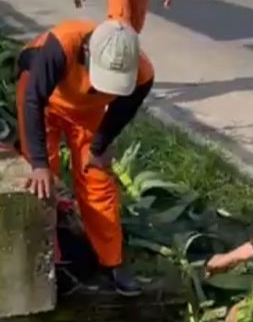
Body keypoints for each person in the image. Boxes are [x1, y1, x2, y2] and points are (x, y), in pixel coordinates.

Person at [17, 18, 154, 295]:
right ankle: (48, 255)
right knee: (44, 182)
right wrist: (39, 164)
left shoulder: (143, 74)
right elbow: (33, 99)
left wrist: (99, 147)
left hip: (88, 113)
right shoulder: (60, 47)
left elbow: (120, 113)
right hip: (45, 104)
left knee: (98, 180)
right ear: (88, 54)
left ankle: (111, 261)